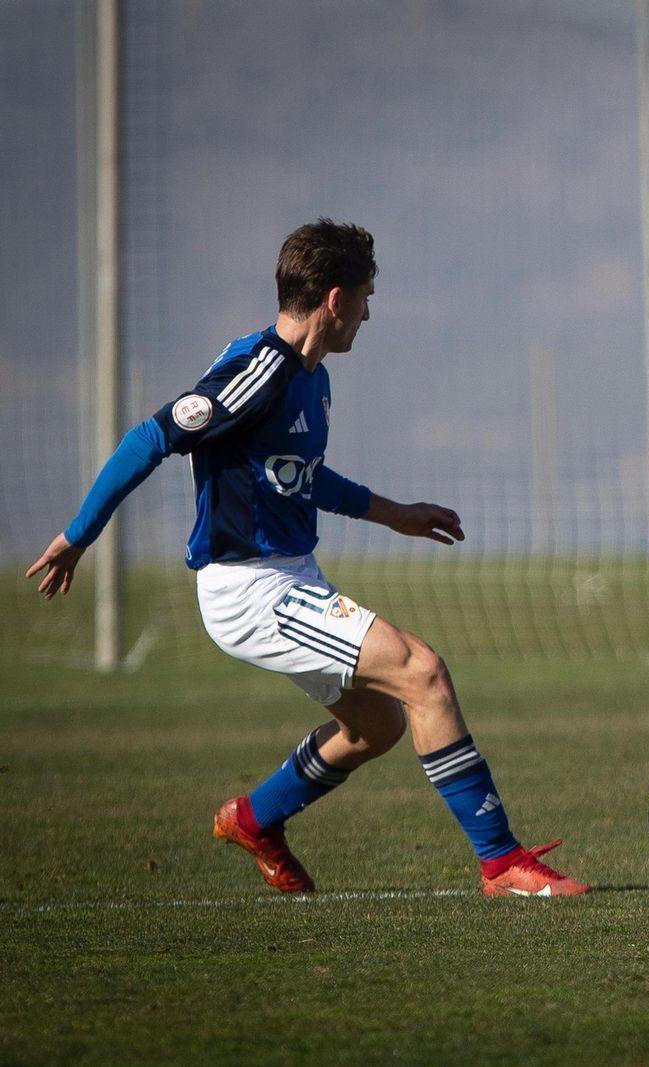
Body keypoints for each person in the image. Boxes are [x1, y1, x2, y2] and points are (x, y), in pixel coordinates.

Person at [28, 219, 588, 897]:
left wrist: (395, 513)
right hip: (249, 586)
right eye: (365, 297)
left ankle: (255, 819)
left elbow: (302, 475)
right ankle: (502, 862)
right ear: (333, 299)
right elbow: (153, 435)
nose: (369, 313)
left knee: (376, 724)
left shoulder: (310, 378)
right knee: (424, 672)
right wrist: (79, 533)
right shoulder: (257, 370)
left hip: (290, 576)